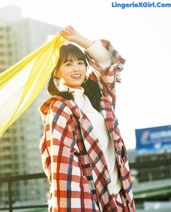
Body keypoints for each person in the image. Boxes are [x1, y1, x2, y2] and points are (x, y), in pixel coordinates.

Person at [39, 25, 135, 211]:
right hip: (88, 199)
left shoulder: (97, 97)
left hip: (117, 192)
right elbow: (64, 166)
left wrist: (77, 38)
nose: (76, 69)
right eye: (68, 64)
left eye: (80, 63)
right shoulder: (59, 108)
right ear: (56, 72)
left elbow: (108, 61)